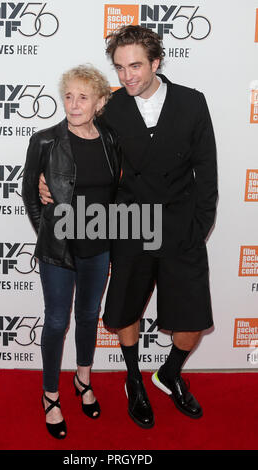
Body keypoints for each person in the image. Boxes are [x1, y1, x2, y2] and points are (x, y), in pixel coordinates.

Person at [39, 25, 218, 429]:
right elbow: (73, 136)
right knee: (125, 310)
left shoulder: (192, 103)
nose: (127, 76)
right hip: (129, 224)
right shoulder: (112, 107)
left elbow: (206, 169)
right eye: (119, 68)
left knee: (192, 319)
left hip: (179, 226)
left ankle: (169, 374)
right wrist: (45, 175)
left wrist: (199, 225)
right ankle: (134, 380)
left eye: (135, 65)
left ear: (156, 62)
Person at [22, 64, 121, 439]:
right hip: (58, 252)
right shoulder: (45, 140)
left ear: (99, 102)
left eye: (83, 97)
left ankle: (83, 379)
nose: (74, 104)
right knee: (57, 322)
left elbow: (117, 189)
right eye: (68, 96)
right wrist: (47, 231)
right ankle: (50, 396)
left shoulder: (111, 139)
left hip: (99, 249)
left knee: (89, 316)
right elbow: (31, 192)